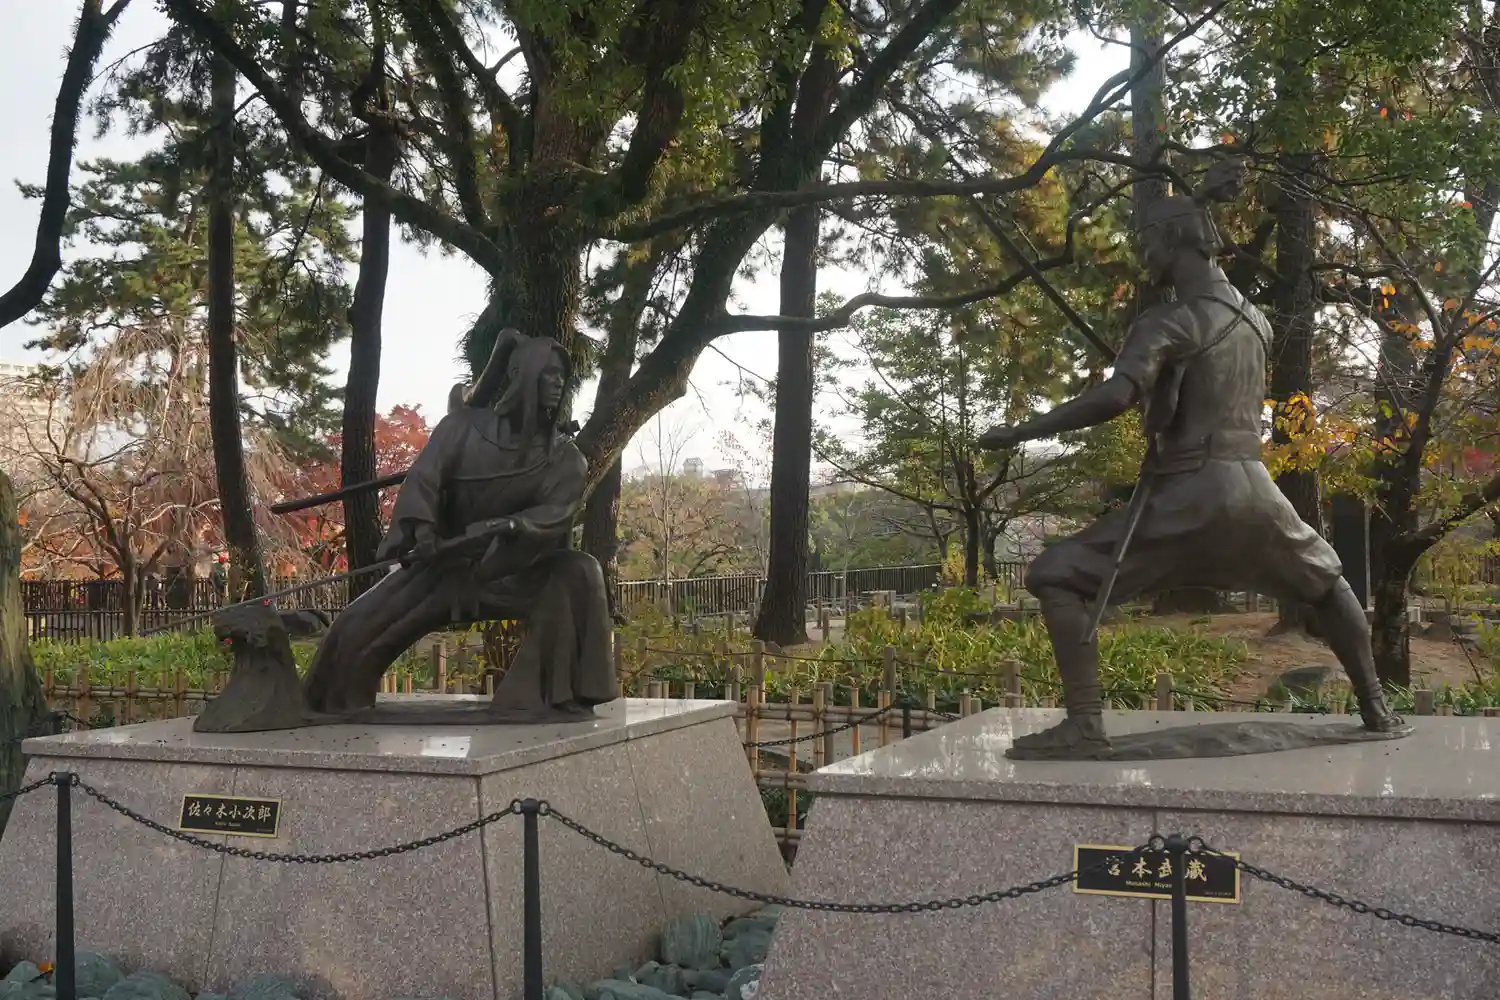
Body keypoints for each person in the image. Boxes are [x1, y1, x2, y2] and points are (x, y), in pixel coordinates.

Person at [977, 161, 1404, 760]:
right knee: (1327, 581)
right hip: (1255, 488)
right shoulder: (1254, 320)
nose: (1144, 256)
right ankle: (1377, 709)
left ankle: (1084, 724)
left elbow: (1116, 397)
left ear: (1174, 238)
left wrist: (1025, 429)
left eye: (1148, 243)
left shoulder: (1170, 320)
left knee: (1055, 574)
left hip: (1192, 488)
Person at [302, 332, 618, 720]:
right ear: (520, 375)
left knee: (579, 570)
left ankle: (544, 697)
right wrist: (423, 534)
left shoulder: (566, 459)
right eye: (547, 373)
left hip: (512, 571)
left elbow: (554, 513)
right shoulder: (462, 428)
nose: (557, 384)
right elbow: (425, 479)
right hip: (441, 564)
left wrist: (507, 525)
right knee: (351, 635)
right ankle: (334, 700)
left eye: (561, 377)